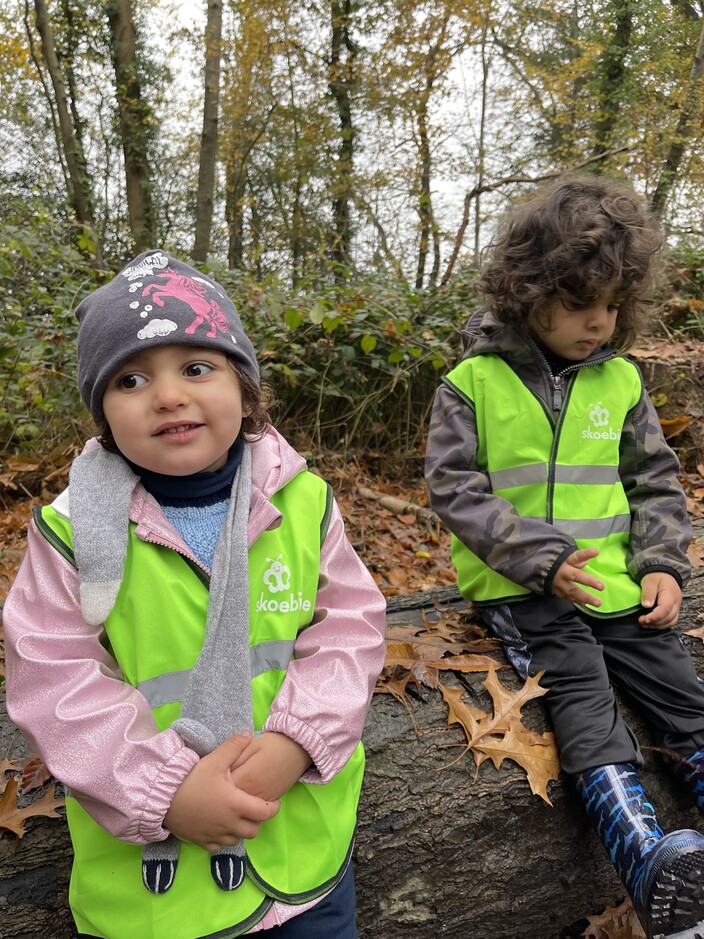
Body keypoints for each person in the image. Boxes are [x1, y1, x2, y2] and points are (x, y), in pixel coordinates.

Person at [4, 250, 387, 939]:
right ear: (102, 412)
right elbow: (54, 681)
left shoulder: (300, 500)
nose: (169, 394)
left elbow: (350, 630)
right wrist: (167, 793)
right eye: (131, 378)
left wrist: (299, 741)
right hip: (162, 895)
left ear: (245, 390)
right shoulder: (69, 531)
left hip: (300, 858)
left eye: (197, 367)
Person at [425, 175, 704, 939]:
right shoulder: (471, 383)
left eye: (614, 306)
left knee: (679, 685)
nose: (600, 322)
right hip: (524, 588)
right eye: (583, 304)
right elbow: (454, 488)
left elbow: (655, 481)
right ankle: (646, 857)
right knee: (580, 688)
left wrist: (660, 562)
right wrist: (538, 557)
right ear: (529, 290)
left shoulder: (621, 381)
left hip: (616, 581)